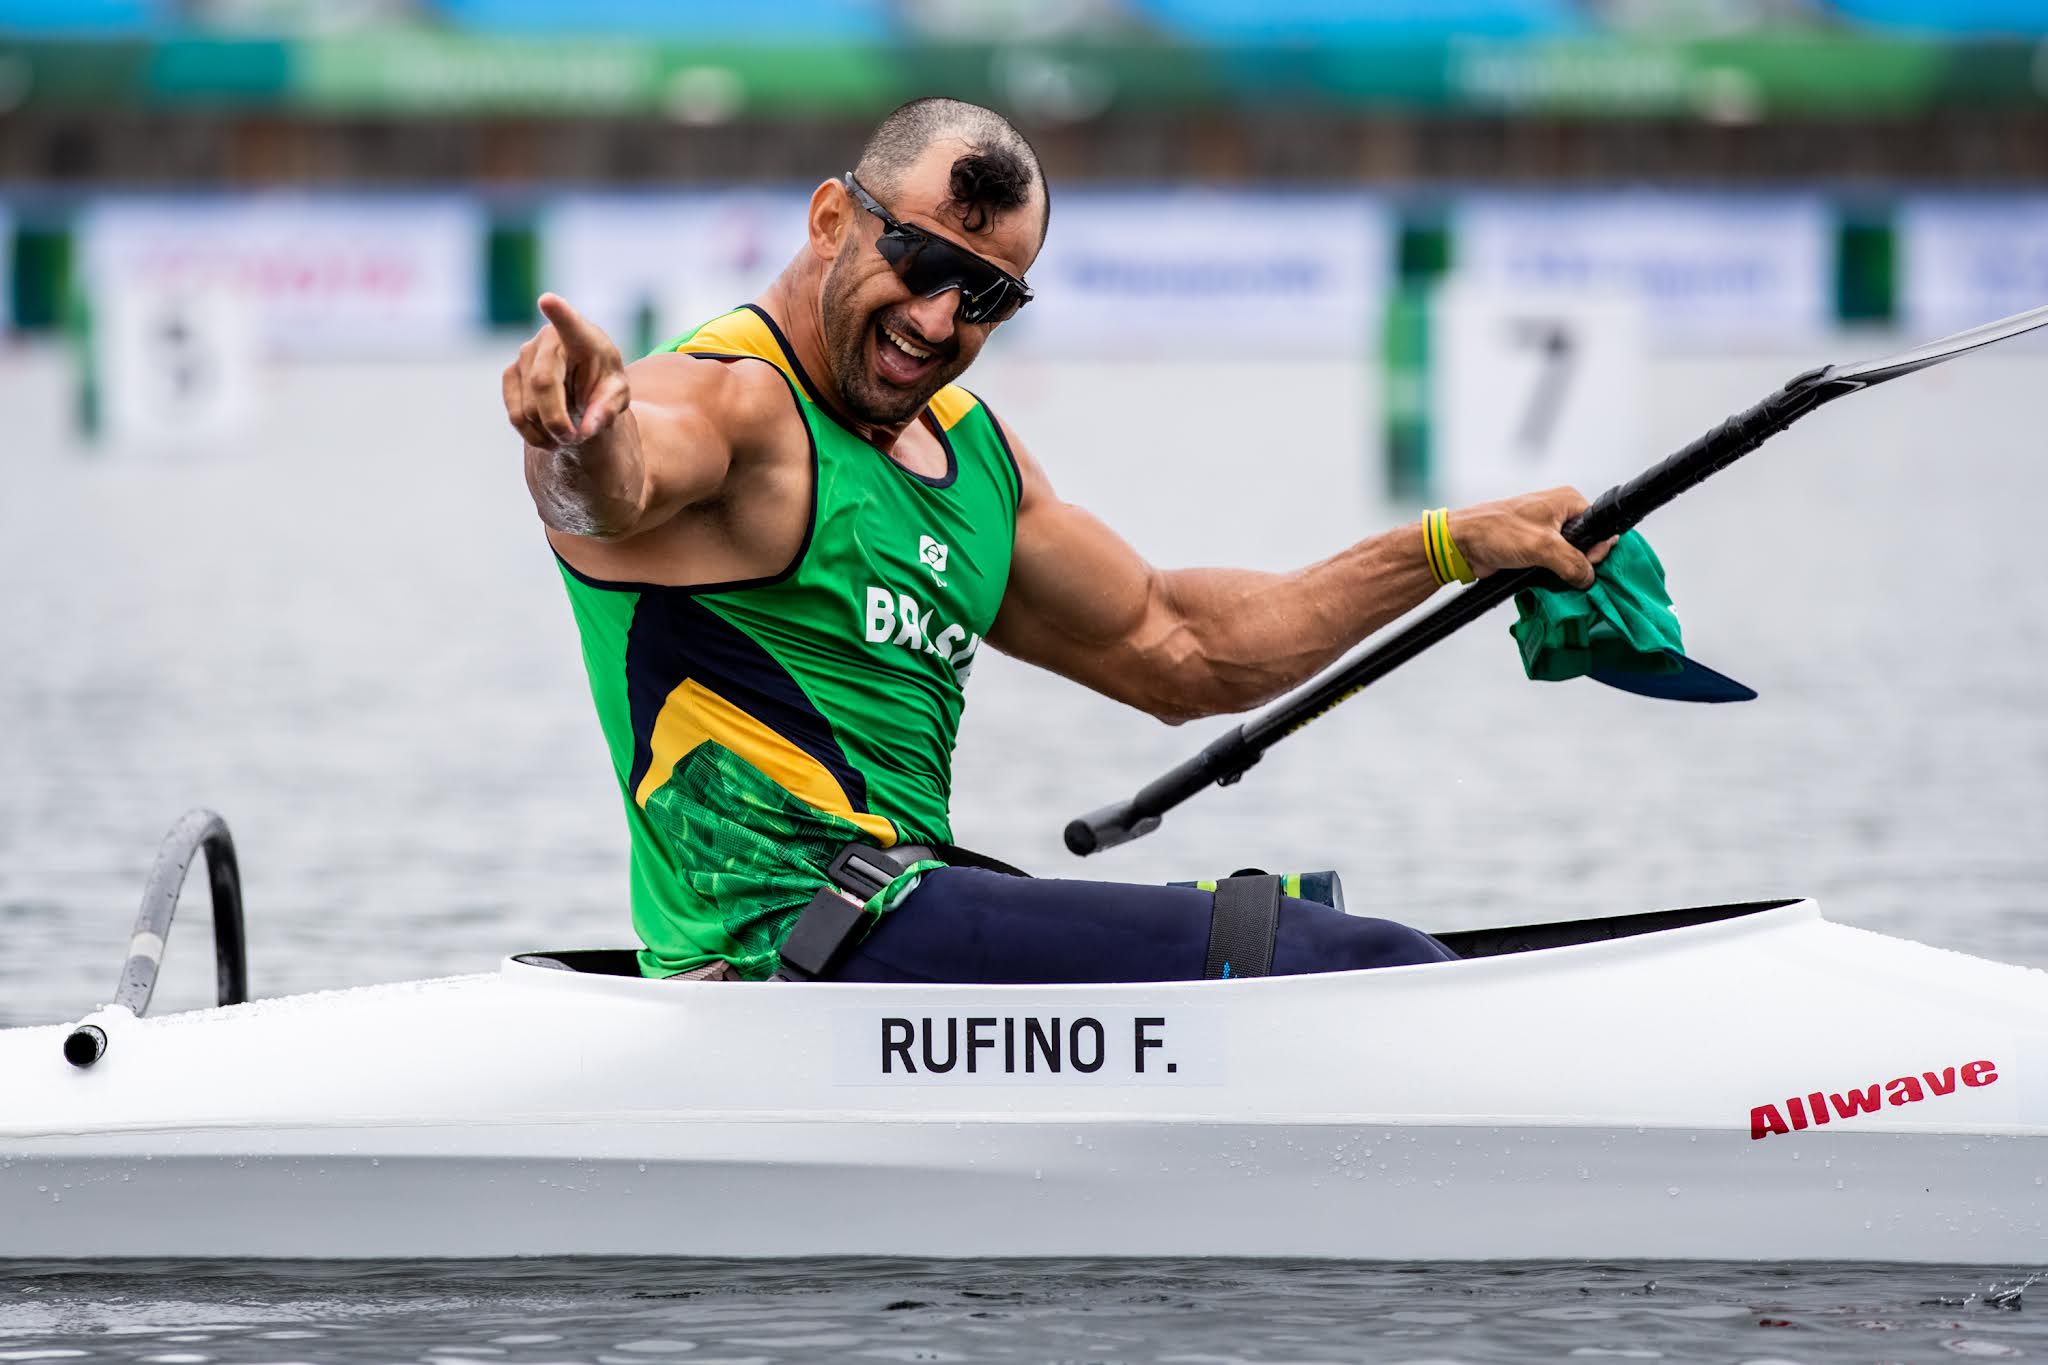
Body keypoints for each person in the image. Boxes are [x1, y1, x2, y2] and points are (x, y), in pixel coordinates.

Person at [502, 97, 1607, 985]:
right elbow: (615, 486)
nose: (937, 322)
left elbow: (1180, 649)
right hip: (775, 955)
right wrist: (575, 436)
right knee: (1360, 972)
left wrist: (1445, 546)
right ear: (832, 221)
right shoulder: (735, 404)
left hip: (900, 926)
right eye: (920, 263)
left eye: (983, 294)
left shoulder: (974, 459)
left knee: (1331, 934)